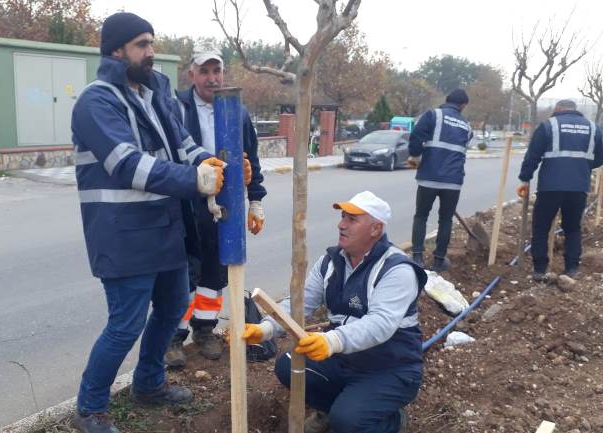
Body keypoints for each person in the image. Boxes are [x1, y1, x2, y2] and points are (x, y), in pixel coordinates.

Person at [70, 12, 228, 433]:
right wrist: (195, 180)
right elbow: (127, 166)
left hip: (165, 228)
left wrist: (211, 165)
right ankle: (90, 409)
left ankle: (149, 384)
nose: (151, 52)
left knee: (174, 307)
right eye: (142, 44)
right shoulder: (96, 101)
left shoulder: (155, 93)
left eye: (152, 43)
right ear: (116, 50)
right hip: (123, 234)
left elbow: (184, 144)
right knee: (125, 326)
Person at [242, 191, 427, 433]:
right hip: (346, 359)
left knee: (348, 422)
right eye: (342, 217)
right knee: (288, 366)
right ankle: (334, 409)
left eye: (352, 219)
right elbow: (300, 303)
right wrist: (265, 328)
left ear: (375, 229)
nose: (341, 225)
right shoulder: (331, 262)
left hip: (389, 367)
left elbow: (380, 324)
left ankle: (391, 422)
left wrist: (332, 340)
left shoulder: (396, 270)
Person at [165, 50, 266, 367]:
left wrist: (256, 200)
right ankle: (173, 337)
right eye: (204, 71)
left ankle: (204, 330)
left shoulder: (237, 111)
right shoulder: (176, 109)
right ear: (191, 75)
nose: (211, 78)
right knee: (183, 274)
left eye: (216, 70)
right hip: (185, 204)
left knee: (214, 272)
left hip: (224, 204)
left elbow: (252, 158)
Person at [517, 99, 603, 279]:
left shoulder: (548, 125)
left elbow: (533, 155)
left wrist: (525, 178)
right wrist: (584, 166)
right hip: (579, 186)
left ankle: (540, 270)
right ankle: (571, 269)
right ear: (575, 110)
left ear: (558, 109)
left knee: (541, 227)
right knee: (572, 228)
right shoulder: (594, 128)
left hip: (550, 186)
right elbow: (599, 157)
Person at [407, 89, 473, 272]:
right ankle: (438, 261)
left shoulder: (432, 115)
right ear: (463, 105)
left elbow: (416, 136)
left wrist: (415, 156)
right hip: (453, 181)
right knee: (445, 220)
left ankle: (418, 257)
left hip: (429, 177)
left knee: (421, 216)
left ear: (447, 101)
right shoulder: (467, 126)